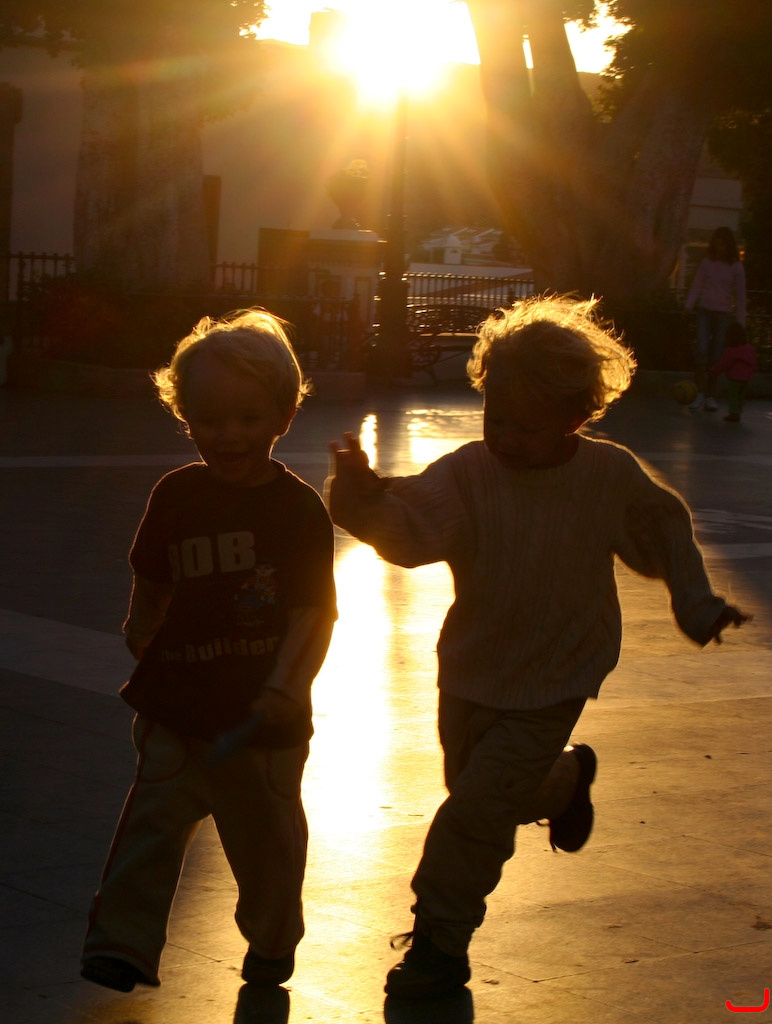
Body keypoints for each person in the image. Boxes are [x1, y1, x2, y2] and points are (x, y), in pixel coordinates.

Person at [327, 295, 749, 1001]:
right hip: (472, 669)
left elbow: (664, 529)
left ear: (575, 418)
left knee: (472, 815)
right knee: (478, 790)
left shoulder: (606, 477)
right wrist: (362, 501)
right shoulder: (467, 473)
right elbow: (411, 533)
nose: (505, 438)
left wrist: (697, 604)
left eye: (525, 426)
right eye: (495, 418)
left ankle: (439, 943)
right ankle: (562, 781)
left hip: (558, 673)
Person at [81, 310, 337, 994]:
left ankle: (273, 940)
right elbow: (152, 578)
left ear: (284, 416)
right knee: (150, 825)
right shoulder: (175, 495)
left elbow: (314, 611)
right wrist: (142, 632)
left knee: (266, 848)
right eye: (209, 419)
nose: (229, 436)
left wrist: (287, 685)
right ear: (184, 416)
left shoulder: (297, 510)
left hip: (262, 726)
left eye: (249, 418)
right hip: (177, 706)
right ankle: (121, 944)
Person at [685, 226, 746, 411]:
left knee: (717, 355)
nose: (720, 248)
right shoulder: (707, 263)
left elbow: (740, 295)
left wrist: (740, 322)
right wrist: (689, 305)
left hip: (723, 314)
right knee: (702, 351)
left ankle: (710, 395)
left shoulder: (736, 267)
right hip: (704, 311)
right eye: (717, 244)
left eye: (723, 245)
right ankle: (699, 393)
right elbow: (697, 285)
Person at [707, 320, 759, 423]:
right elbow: (753, 361)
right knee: (740, 395)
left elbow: (723, 363)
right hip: (746, 378)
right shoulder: (749, 348)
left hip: (734, 377)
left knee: (733, 395)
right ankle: (738, 411)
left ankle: (733, 413)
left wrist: (714, 370)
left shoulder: (730, 350)